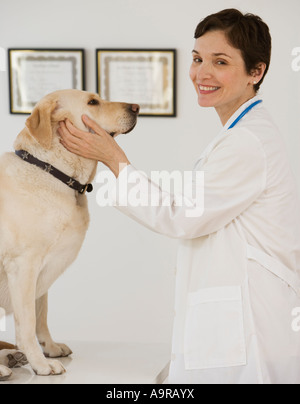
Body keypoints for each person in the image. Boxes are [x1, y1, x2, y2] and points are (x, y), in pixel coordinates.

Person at [58, 9, 300, 384]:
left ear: (257, 72)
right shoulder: (239, 134)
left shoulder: (247, 142)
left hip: (250, 327)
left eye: (220, 62)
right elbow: (192, 208)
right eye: (197, 58)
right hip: (232, 323)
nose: (202, 74)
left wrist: (113, 159)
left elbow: (182, 217)